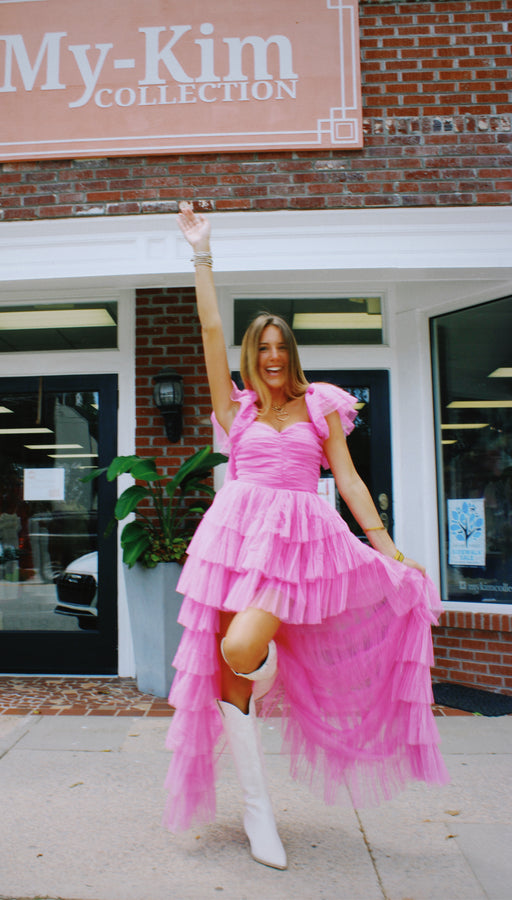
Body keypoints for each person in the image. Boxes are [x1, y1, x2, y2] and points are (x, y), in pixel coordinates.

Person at [163, 202, 449, 870]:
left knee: (239, 646)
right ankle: (259, 815)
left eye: (278, 348)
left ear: (291, 355)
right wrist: (202, 254)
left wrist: (386, 545)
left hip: (296, 543)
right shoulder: (235, 408)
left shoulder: (322, 405)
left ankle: (272, 667)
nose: (269, 357)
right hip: (234, 537)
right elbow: (208, 327)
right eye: (259, 348)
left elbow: (346, 481)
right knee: (226, 678)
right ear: (248, 356)